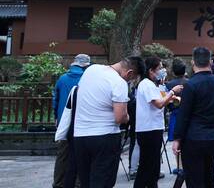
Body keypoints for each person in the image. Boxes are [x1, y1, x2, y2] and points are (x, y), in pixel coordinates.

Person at [73, 56, 145, 188]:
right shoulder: (118, 82)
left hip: (80, 136)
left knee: (86, 181)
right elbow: (120, 117)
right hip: (105, 137)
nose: (130, 81)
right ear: (129, 73)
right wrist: (127, 117)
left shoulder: (91, 70)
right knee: (102, 181)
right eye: (132, 78)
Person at [172, 47, 214, 188]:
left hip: (192, 138)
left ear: (193, 62)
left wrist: (177, 138)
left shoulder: (190, 85)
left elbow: (184, 115)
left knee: (194, 179)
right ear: (210, 61)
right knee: (209, 176)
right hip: (211, 137)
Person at [134, 56, 182, 188]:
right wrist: (172, 91)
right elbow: (159, 103)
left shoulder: (154, 85)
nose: (162, 70)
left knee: (153, 165)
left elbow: (163, 99)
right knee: (146, 165)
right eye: (159, 68)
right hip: (148, 129)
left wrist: (171, 96)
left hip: (153, 128)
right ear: (151, 70)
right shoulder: (146, 84)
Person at [52, 54, 90, 188]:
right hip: (81, 123)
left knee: (62, 155)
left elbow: (55, 99)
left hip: (63, 121)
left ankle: (58, 183)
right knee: (81, 155)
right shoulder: (86, 79)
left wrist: (56, 117)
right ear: (85, 66)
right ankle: (78, 183)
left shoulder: (62, 79)